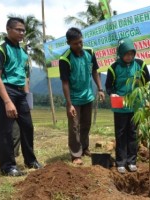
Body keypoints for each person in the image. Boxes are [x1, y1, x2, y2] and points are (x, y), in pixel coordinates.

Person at [0, 17, 42, 176]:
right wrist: (7, 101)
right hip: (6, 91)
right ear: (8, 29)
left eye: (23, 30)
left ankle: (30, 160)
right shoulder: (1, 49)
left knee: (27, 126)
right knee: (6, 130)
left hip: (20, 93)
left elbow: (23, 75)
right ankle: (8, 166)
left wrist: (27, 96)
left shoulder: (22, 51)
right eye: (18, 29)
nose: (22, 33)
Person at [59, 27, 105, 165]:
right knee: (74, 127)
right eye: (75, 43)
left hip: (88, 96)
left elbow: (95, 72)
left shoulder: (90, 52)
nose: (79, 45)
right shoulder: (65, 59)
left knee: (86, 124)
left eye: (80, 42)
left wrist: (100, 89)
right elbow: (65, 83)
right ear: (68, 43)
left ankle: (84, 148)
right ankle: (76, 154)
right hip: (74, 98)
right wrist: (69, 104)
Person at [105, 38, 150, 174]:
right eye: (126, 54)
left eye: (131, 53)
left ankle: (132, 161)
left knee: (132, 133)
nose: (129, 56)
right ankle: (121, 162)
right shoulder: (113, 68)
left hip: (135, 105)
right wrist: (112, 94)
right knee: (120, 134)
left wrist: (145, 97)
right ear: (120, 53)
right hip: (119, 105)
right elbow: (109, 86)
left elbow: (146, 82)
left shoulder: (140, 65)